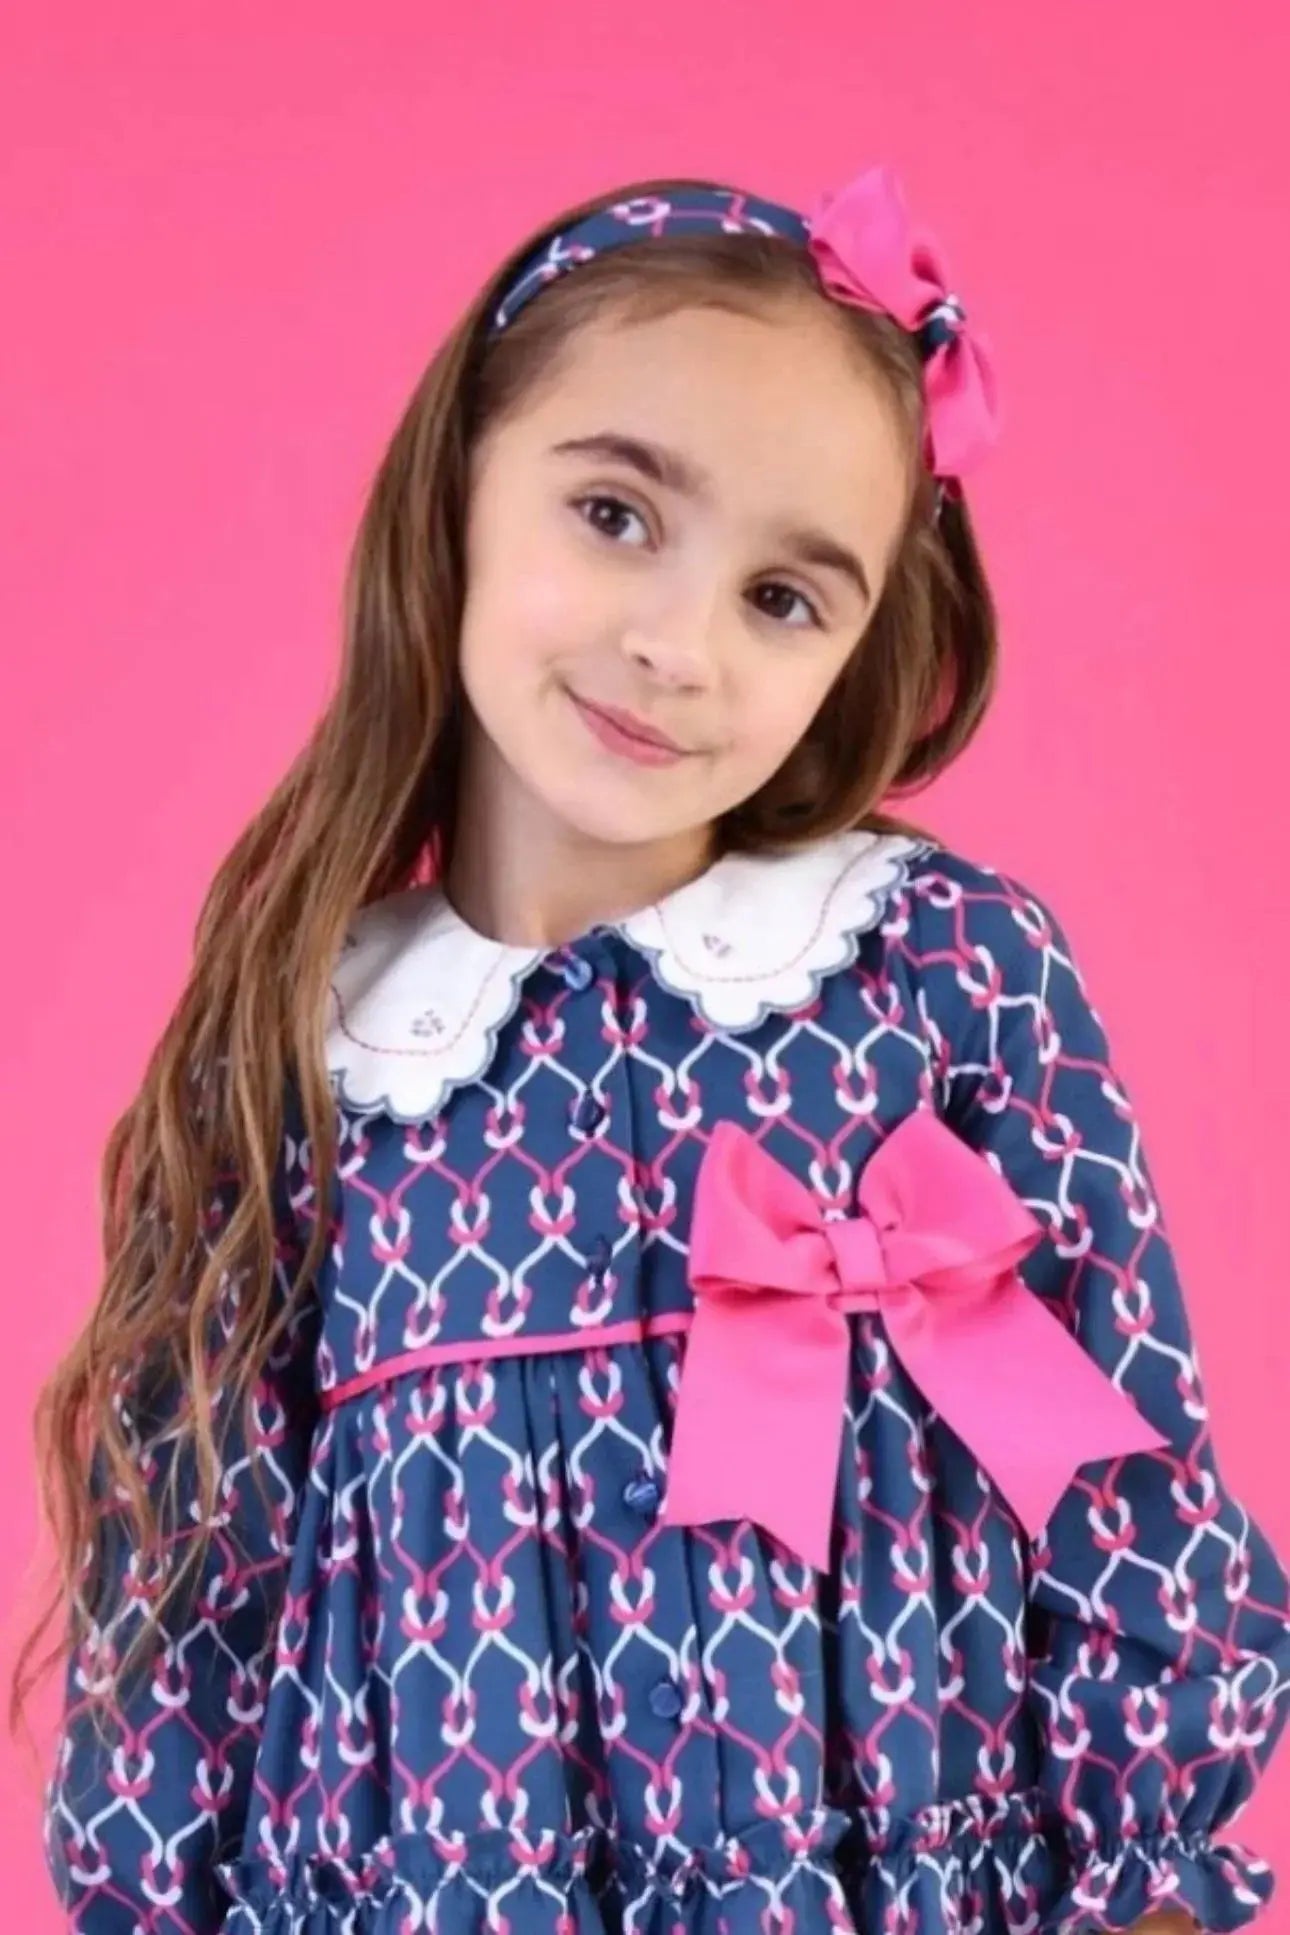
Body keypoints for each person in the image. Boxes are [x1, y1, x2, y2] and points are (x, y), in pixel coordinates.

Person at [17, 163, 1290, 1935]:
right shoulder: (304, 1051)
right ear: (460, 478)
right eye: (615, 513)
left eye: (784, 597)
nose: (673, 645)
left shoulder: (938, 970)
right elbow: (196, 1589)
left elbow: (1109, 1453)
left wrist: (1138, 1861)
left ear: (853, 651)